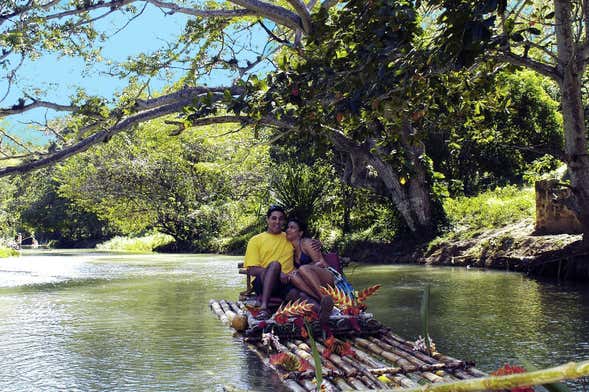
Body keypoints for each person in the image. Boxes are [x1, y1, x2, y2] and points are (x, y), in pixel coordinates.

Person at [244, 205, 299, 320]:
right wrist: (277, 273)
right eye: (274, 218)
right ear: (267, 220)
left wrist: (315, 244)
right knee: (275, 265)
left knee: (297, 294)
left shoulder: (289, 237)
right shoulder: (256, 240)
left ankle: (320, 311)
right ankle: (264, 308)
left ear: (284, 221)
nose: (277, 222)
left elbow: (304, 244)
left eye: (280, 219)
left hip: (285, 283)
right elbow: (252, 269)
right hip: (263, 282)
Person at [285, 217, 335, 321]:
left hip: (327, 277)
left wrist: (302, 269)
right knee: (293, 276)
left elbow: (321, 263)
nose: (288, 230)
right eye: (288, 227)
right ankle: (322, 302)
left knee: (302, 269)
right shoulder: (291, 250)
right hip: (312, 283)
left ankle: (323, 298)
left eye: (292, 227)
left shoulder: (307, 243)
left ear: (300, 233)